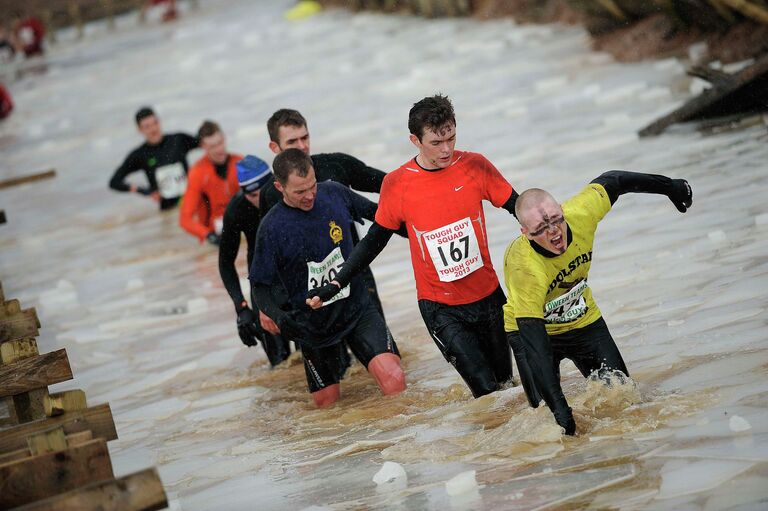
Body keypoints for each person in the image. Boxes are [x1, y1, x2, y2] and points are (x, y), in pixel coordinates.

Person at [308, 94, 518, 399]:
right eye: (436, 142)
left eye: (451, 138)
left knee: (507, 387)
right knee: (486, 393)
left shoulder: (475, 165)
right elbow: (374, 241)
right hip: (442, 307)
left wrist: (553, 227)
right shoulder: (398, 184)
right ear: (415, 140)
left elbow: (518, 205)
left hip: (489, 297)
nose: (446, 149)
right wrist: (337, 282)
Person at [503, 171, 693, 435]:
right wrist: (562, 412)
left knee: (626, 400)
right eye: (541, 230)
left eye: (556, 220)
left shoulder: (581, 213)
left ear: (561, 210)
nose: (554, 232)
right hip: (531, 330)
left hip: (582, 320)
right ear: (525, 233)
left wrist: (669, 186)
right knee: (546, 422)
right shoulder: (525, 267)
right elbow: (536, 347)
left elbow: (614, 181)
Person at [251, 149, 406, 407]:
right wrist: (279, 317)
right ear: (280, 187)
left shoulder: (334, 194)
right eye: (300, 191)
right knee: (327, 408)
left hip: (356, 309)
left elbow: (384, 217)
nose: (310, 195)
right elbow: (260, 287)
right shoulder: (271, 228)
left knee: (394, 377)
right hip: (313, 326)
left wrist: (422, 227)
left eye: (312, 185)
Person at [259, 108, 392, 321]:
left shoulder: (336, 165)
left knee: (384, 350)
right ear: (275, 147)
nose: (302, 146)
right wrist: (266, 306)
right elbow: (266, 254)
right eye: (293, 142)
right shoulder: (271, 193)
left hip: (355, 274)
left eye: (305, 137)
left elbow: (391, 185)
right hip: (306, 291)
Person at [218, 155, 292, 367]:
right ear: (243, 192)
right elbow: (225, 262)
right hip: (263, 281)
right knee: (281, 367)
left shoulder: (290, 194)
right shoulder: (236, 209)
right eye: (252, 195)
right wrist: (241, 308)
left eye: (264, 191)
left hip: (295, 275)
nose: (261, 198)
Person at [109, 107, 198, 210]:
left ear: (159, 121)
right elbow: (114, 182)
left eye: (155, 123)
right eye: (147, 126)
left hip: (193, 201)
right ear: (140, 130)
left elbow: (205, 144)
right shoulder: (139, 154)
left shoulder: (178, 140)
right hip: (168, 209)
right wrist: (144, 191)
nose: (153, 129)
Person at [179, 120, 242, 245]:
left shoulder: (240, 162)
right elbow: (185, 219)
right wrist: (208, 235)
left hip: (242, 230)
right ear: (203, 146)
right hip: (214, 237)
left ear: (224, 138)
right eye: (213, 146)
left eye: (220, 143)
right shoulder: (197, 173)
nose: (219, 149)